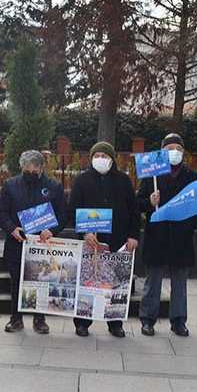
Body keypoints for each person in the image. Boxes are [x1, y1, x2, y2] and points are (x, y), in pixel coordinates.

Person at [68, 141, 140, 338]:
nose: (101, 159)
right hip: (91, 241)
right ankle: (82, 322)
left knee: (115, 283)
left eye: (105, 156)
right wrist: (84, 232)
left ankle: (115, 322)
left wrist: (134, 235)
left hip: (118, 239)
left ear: (112, 159)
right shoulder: (82, 180)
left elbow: (134, 210)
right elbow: (73, 208)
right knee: (88, 281)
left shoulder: (123, 180)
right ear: (91, 158)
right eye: (97, 155)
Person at [137, 133, 197, 337]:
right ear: (161, 152)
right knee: (153, 281)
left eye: (178, 149)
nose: (174, 153)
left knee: (180, 283)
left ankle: (179, 321)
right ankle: (148, 320)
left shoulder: (193, 178)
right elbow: (137, 204)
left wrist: (190, 225)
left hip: (181, 238)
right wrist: (149, 201)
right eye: (169, 149)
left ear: (183, 152)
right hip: (157, 235)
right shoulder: (151, 176)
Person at [0, 150, 67, 335]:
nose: (30, 171)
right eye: (26, 168)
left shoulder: (54, 187)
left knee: (42, 281)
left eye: (34, 168)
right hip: (17, 243)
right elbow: (0, 212)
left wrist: (52, 230)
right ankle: (15, 319)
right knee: (16, 282)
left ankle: (39, 320)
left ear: (41, 167)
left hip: (43, 246)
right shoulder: (10, 185)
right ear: (21, 167)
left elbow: (64, 215)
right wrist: (12, 229)